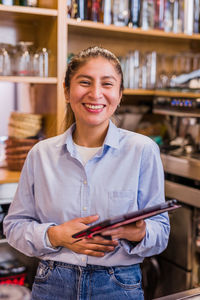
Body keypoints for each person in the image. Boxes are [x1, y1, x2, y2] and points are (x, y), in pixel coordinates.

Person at [3, 46, 170, 300]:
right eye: (85, 82)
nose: (95, 93)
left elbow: (161, 232)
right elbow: (14, 226)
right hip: (52, 283)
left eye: (107, 84)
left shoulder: (142, 150)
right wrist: (55, 235)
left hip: (118, 285)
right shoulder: (41, 154)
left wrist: (141, 232)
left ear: (119, 94)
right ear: (67, 91)